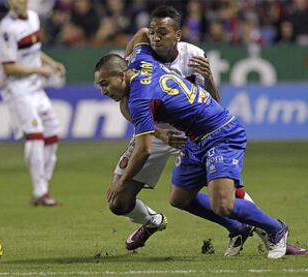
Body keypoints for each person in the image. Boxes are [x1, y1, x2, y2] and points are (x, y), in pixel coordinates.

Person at [94, 32, 289, 259]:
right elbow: (143, 34)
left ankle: (276, 228)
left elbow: (144, 149)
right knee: (180, 198)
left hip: (220, 133)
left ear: (121, 75)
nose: (104, 91)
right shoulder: (140, 59)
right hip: (194, 139)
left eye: (105, 84)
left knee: (223, 204)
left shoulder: (139, 98)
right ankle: (238, 228)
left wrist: (123, 182)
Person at [110, 5, 257, 257]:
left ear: (177, 34)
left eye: (163, 32)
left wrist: (210, 78)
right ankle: (152, 221)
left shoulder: (194, 56)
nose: (156, 37)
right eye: (153, 32)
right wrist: (159, 132)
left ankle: (267, 233)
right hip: (153, 132)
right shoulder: (141, 46)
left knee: (229, 192)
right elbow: (127, 104)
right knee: (118, 202)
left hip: (191, 133)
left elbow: (214, 106)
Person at [0, 0, 65, 206]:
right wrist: (39, 70)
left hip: (35, 87)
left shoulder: (34, 18)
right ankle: (39, 192)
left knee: (53, 130)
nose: (15, 2)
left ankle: (43, 185)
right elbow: (9, 68)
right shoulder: (6, 29)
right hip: (16, 89)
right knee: (35, 135)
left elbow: (33, 50)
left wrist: (51, 63)